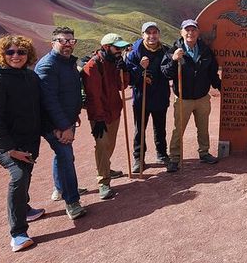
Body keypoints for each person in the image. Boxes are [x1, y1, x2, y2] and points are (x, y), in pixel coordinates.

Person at [0, 35, 44, 252]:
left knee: (27, 171)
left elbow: (38, 109)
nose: (16, 56)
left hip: (28, 138)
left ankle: (24, 208)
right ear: (2, 55)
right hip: (6, 143)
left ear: (28, 55)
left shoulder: (30, 77)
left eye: (21, 52)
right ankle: (18, 233)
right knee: (19, 175)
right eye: (10, 52)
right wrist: (10, 149)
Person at [35, 27, 86, 219]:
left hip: (67, 119)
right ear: (53, 42)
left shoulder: (67, 63)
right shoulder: (48, 66)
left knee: (62, 156)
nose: (67, 45)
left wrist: (74, 115)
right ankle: (72, 202)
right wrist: (63, 126)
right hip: (56, 124)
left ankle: (59, 188)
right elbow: (49, 101)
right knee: (66, 158)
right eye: (63, 41)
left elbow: (68, 93)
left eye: (71, 41)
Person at [161, 19, 221, 172]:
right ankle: (174, 158)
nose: (190, 33)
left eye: (193, 30)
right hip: (183, 98)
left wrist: (220, 87)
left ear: (198, 32)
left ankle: (204, 153)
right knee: (178, 129)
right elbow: (166, 73)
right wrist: (174, 60)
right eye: (187, 30)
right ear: (181, 32)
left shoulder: (205, 50)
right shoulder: (174, 50)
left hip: (202, 97)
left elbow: (212, 72)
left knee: (203, 128)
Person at [81, 33, 130, 198]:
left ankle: (105, 168)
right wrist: (98, 118)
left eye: (122, 48)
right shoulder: (93, 66)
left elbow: (121, 86)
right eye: (117, 48)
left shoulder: (113, 62)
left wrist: (123, 70)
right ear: (106, 47)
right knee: (102, 146)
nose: (120, 51)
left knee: (109, 145)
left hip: (114, 110)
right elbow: (93, 97)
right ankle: (104, 183)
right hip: (100, 115)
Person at [126, 22, 171, 173]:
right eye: (148, 33)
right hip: (141, 98)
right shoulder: (135, 52)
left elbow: (169, 72)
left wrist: (176, 61)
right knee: (140, 129)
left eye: (155, 32)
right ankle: (139, 158)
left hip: (160, 96)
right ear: (143, 35)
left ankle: (162, 154)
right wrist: (140, 69)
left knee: (160, 128)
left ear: (159, 34)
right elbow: (129, 78)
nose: (152, 36)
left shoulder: (165, 50)